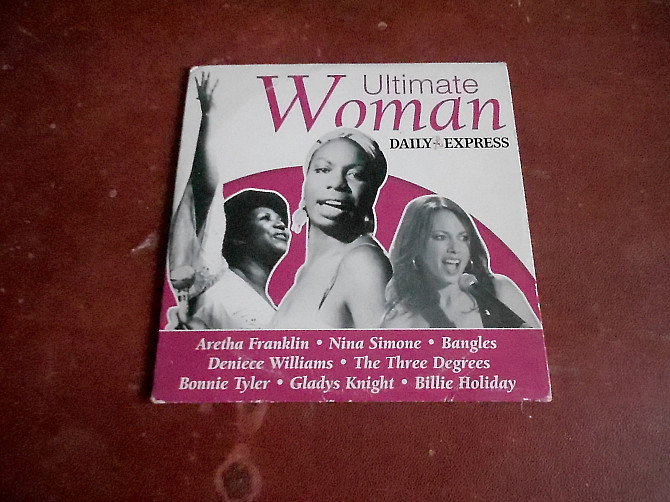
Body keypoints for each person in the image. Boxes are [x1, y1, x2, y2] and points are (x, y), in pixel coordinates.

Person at [167, 73, 289, 329]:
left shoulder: (279, 317)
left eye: (281, 220)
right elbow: (204, 190)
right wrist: (208, 117)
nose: (281, 225)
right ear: (237, 237)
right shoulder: (209, 276)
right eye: (266, 218)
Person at [270, 129, 392, 329]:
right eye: (323, 170)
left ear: (371, 194)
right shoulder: (306, 271)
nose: (337, 183)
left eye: (355, 175)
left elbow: (386, 347)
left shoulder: (363, 263)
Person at [382, 195, 540, 328]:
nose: (455, 248)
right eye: (440, 237)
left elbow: (537, 347)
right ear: (415, 245)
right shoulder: (401, 318)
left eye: (463, 238)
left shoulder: (499, 290)